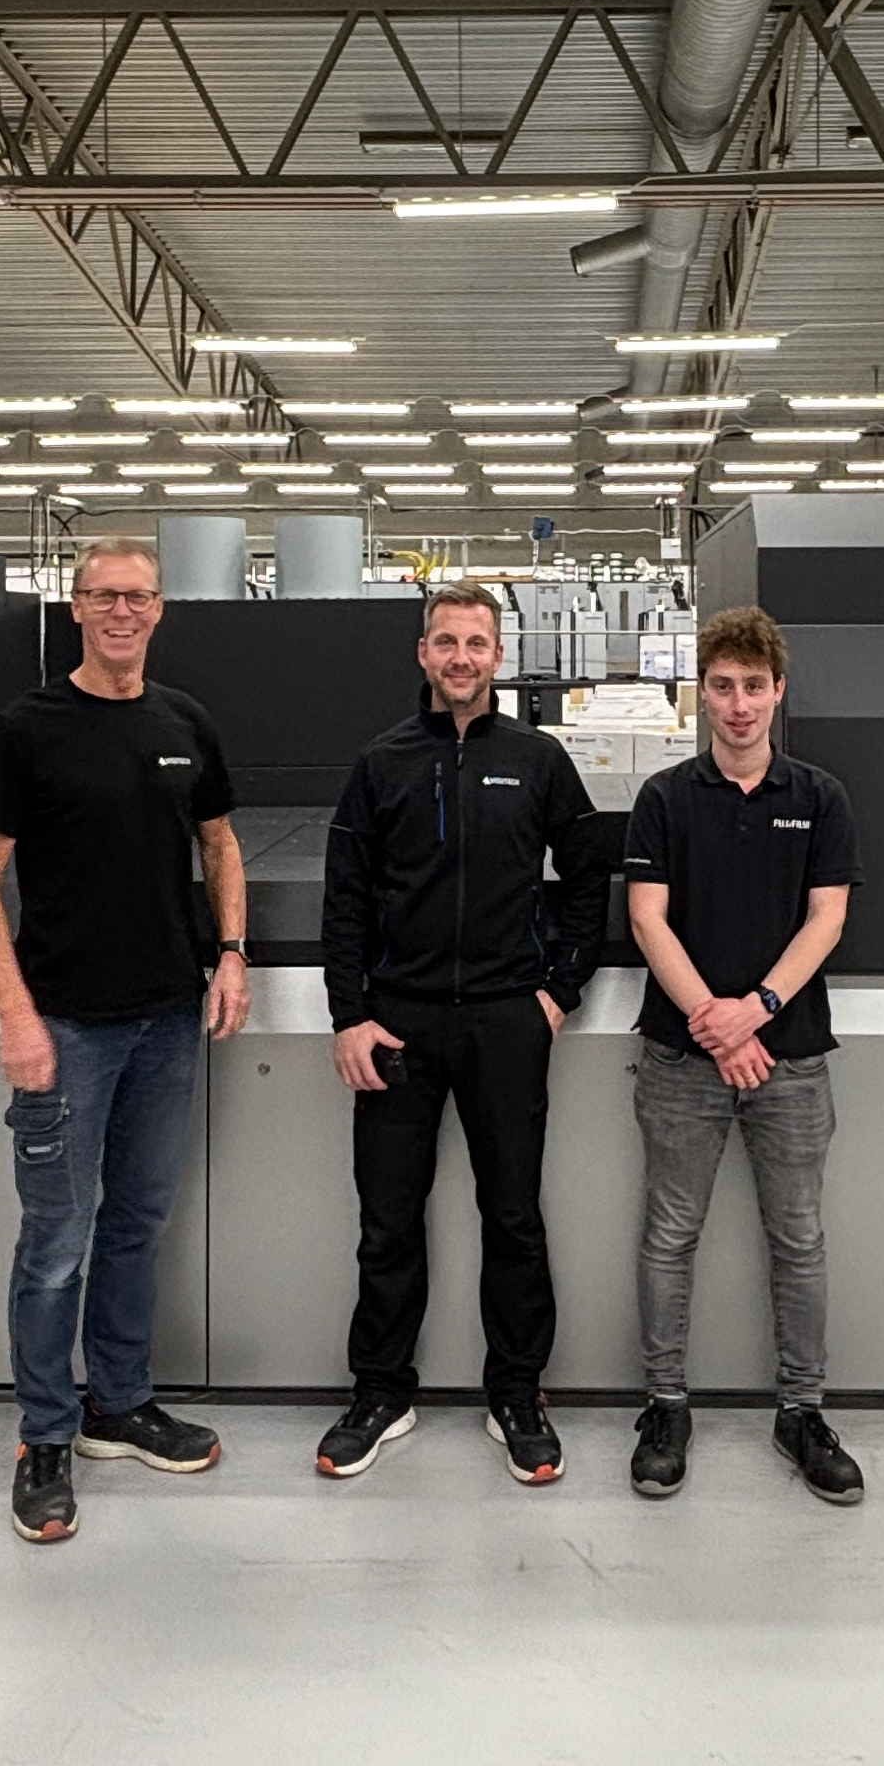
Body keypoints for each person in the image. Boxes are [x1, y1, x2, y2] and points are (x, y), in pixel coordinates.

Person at [0, 535, 251, 1545]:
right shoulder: (26, 729)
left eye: (138, 596)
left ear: (160, 609)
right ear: (75, 607)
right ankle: (44, 1436)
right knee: (56, 1242)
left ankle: (116, 1405)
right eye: (103, 595)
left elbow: (219, 842)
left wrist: (232, 953)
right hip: (66, 1028)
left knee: (135, 1223)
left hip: (168, 1019)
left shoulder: (184, 723)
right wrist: (15, 1012)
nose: (122, 611)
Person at [316, 584, 610, 1483]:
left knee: (513, 1215)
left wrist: (557, 991)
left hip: (504, 1020)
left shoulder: (536, 759)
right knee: (387, 1221)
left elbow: (588, 874)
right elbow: (346, 896)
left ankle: (516, 1392)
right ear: (423, 654)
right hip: (397, 1022)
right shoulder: (382, 761)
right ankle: (379, 1391)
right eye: (445, 641)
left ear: (497, 655)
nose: (460, 658)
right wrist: (348, 1013)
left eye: (475, 643)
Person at [620, 606, 866, 1505]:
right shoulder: (664, 800)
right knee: (669, 1233)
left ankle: (801, 1411)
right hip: (681, 1060)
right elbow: (646, 918)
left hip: (789, 1058)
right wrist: (713, 1022)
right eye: (721, 686)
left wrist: (755, 1011)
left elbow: (826, 918)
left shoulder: (820, 798)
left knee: (797, 1238)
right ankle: (664, 1406)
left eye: (752, 687)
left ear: (777, 692)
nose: (737, 704)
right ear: (702, 694)